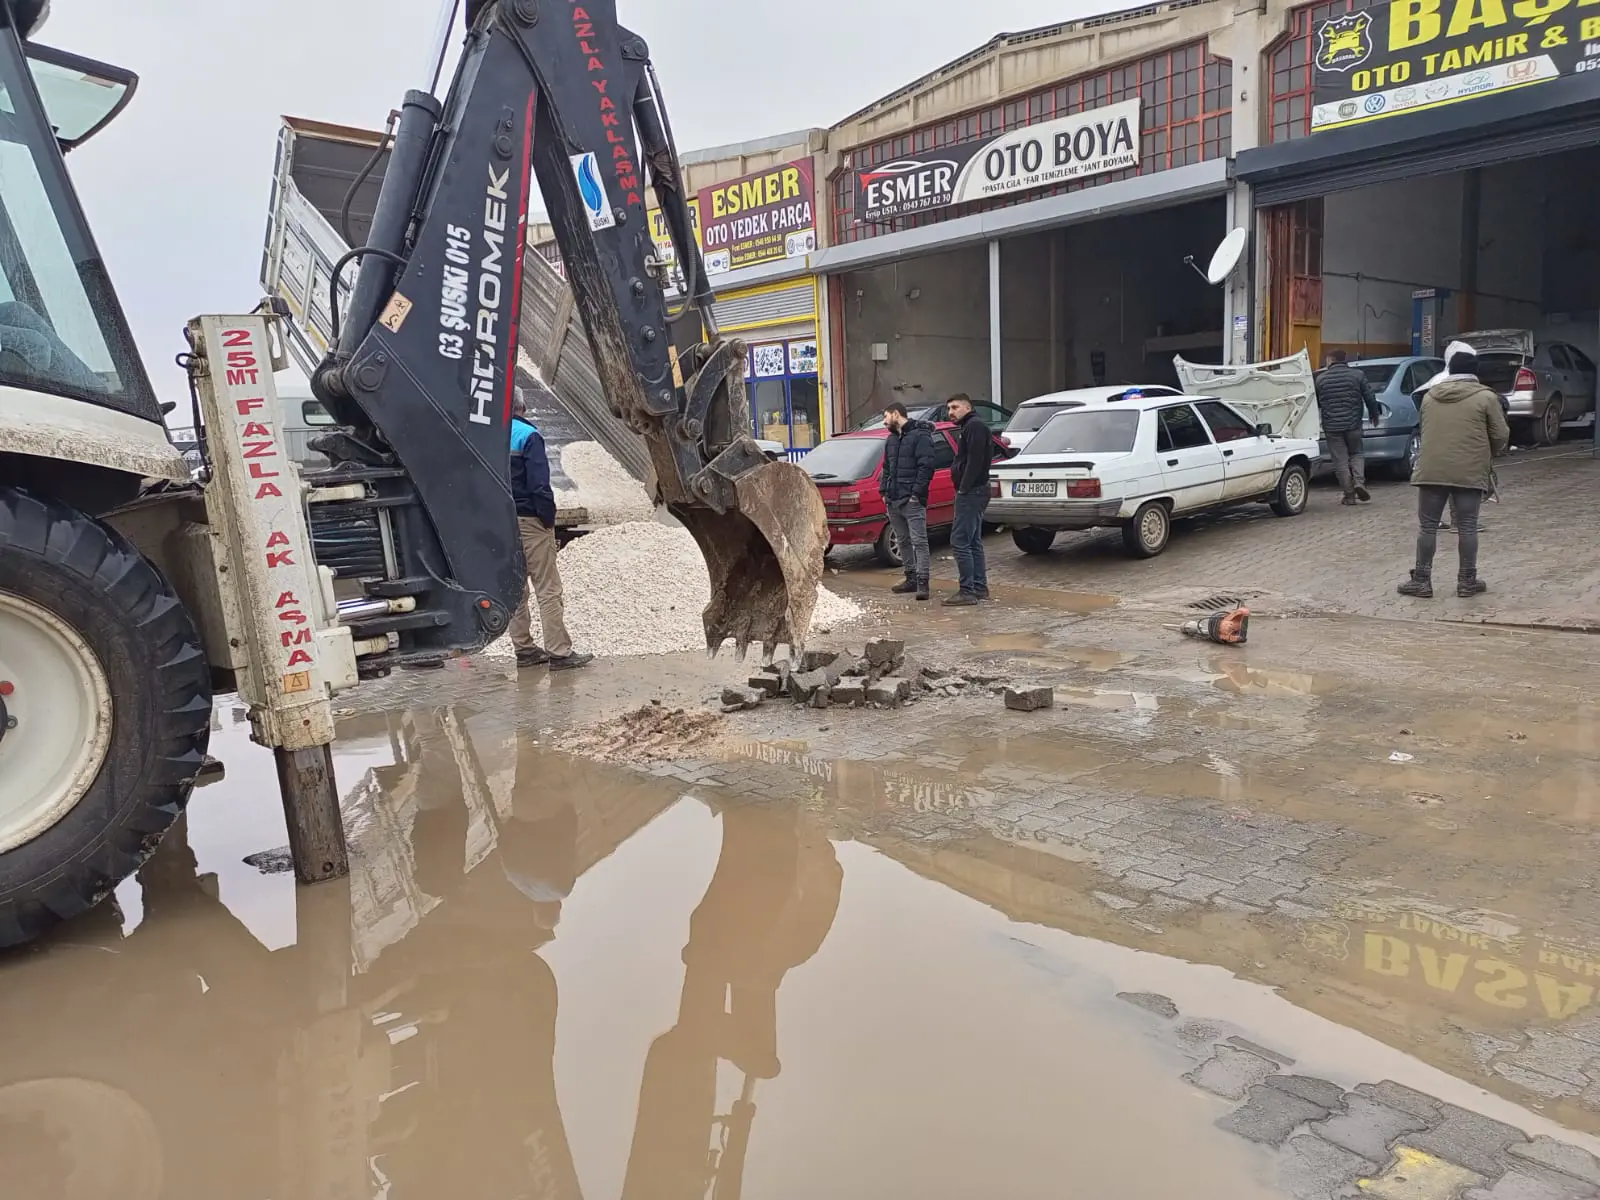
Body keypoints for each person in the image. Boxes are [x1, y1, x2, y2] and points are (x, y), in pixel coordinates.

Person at [1397, 340, 1510, 600]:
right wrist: (1488, 451)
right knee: (1467, 526)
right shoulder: (1486, 397)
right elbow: (1500, 435)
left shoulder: (1429, 397)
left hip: (1431, 469)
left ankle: (1422, 581)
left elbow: (1426, 431)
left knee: (1427, 526)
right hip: (1469, 470)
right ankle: (1467, 581)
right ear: (1475, 371)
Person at [509, 390, 592, 669]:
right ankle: (559, 652)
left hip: (501, 521)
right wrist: (547, 520)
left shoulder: (488, 435)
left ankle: (524, 649)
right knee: (548, 587)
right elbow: (539, 486)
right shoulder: (528, 436)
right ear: (524, 406)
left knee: (516, 588)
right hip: (530, 520)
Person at [880, 401, 935, 600]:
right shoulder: (891, 440)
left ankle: (923, 582)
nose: (884, 421)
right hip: (893, 500)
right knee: (903, 540)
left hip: (911, 500)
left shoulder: (920, 436)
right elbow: (886, 467)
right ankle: (910, 578)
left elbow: (926, 467)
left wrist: (915, 494)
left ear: (896, 414)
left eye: (886, 416)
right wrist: (884, 491)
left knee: (919, 541)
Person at [1314, 348, 1383, 505]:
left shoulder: (1320, 379)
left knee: (1340, 461)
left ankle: (1349, 495)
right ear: (1345, 360)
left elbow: (1316, 403)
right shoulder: (1357, 375)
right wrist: (1374, 415)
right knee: (1357, 453)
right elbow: (1369, 397)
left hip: (1331, 426)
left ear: (1330, 361)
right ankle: (1359, 482)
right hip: (1353, 424)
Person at [943, 393, 993, 605]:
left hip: (972, 492)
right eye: (948, 408)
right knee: (972, 541)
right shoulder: (970, 427)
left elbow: (975, 460)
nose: (950, 412)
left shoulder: (974, 427)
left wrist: (964, 487)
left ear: (967, 407)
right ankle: (979, 587)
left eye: (954, 407)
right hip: (974, 490)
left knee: (960, 540)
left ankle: (967, 591)